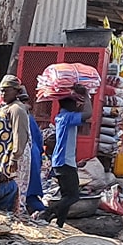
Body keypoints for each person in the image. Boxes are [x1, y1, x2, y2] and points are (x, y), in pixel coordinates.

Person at [0, 76, 35, 215]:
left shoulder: (17, 109)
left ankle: (12, 217)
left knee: (12, 187)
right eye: (1, 91)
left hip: (12, 157)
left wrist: (14, 158)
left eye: (7, 91)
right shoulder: (4, 109)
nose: (3, 94)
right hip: (0, 157)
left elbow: (20, 134)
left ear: (16, 92)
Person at [46, 92, 85, 226]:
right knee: (73, 196)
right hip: (65, 162)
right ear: (70, 105)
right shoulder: (68, 117)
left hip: (60, 162)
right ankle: (49, 212)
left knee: (66, 196)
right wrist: (86, 95)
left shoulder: (62, 116)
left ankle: (60, 223)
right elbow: (89, 114)